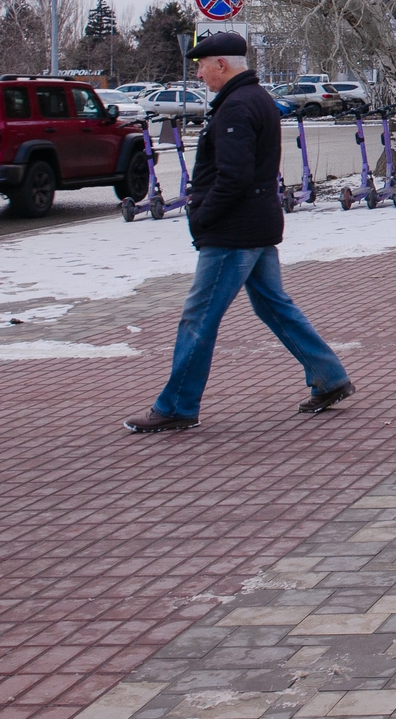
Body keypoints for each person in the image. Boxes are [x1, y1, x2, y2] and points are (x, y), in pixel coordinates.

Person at [125, 33, 354, 433]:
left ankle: (177, 406)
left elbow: (234, 176)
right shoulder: (256, 98)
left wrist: (203, 216)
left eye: (203, 66)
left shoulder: (236, 106)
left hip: (233, 231)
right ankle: (329, 376)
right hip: (257, 223)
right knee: (274, 306)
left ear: (222, 64)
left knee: (198, 318)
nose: (199, 74)